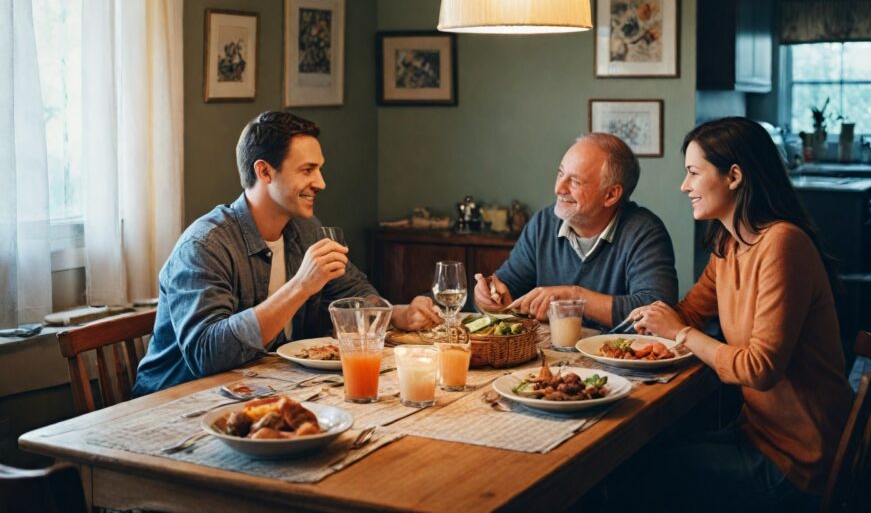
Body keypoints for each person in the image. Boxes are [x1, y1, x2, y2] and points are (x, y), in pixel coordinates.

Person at [627, 117, 853, 511]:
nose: (684, 186)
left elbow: (760, 369)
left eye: (694, 173)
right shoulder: (730, 245)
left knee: (639, 479)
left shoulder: (782, 244)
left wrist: (680, 332)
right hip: (759, 435)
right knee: (638, 459)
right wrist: (656, 321)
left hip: (801, 460)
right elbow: (691, 312)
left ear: (733, 176)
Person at [134, 111, 440, 395]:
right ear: (265, 172)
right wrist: (301, 286)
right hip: (175, 401)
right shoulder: (205, 246)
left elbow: (353, 293)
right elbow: (207, 354)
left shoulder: (305, 230)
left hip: (265, 388)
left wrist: (399, 314)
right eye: (307, 170)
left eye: (319, 169)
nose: (321, 183)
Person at [472, 133, 678, 327]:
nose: (559, 188)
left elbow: (657, 309)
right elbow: (507, 288)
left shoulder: (645, 232)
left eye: (575, 181)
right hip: (550, 350)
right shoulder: (543, 224)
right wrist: (489, 296)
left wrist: (575, 297)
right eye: (560, 173)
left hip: (616, 353)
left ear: (611, 195)